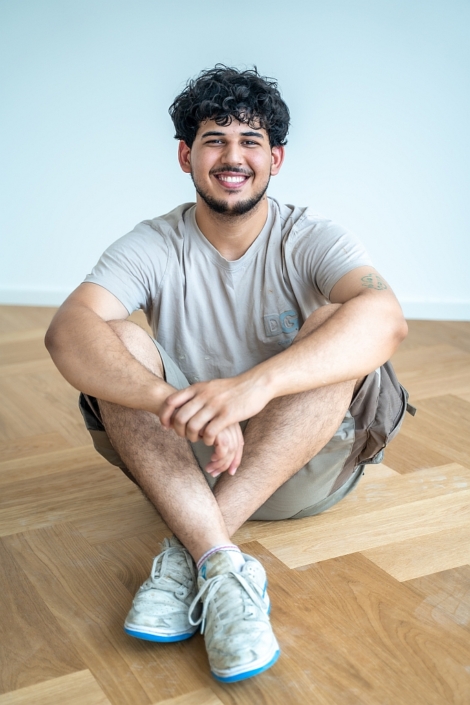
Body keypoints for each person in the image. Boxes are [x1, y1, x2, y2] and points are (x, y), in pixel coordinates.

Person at [45, 65, 409, 683]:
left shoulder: (311, 236)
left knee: (338, 323)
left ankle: (189, 549)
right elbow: (67, 331)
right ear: (186, 156)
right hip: (183, 465)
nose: (232, 157)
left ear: (276, 159)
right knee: (117, 339)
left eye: (250, 141)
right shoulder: (153, 242)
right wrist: (175, 402)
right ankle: (220, 560)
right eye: (214, 140)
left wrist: (251, 390)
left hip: (299, 467)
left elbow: (387, 318)